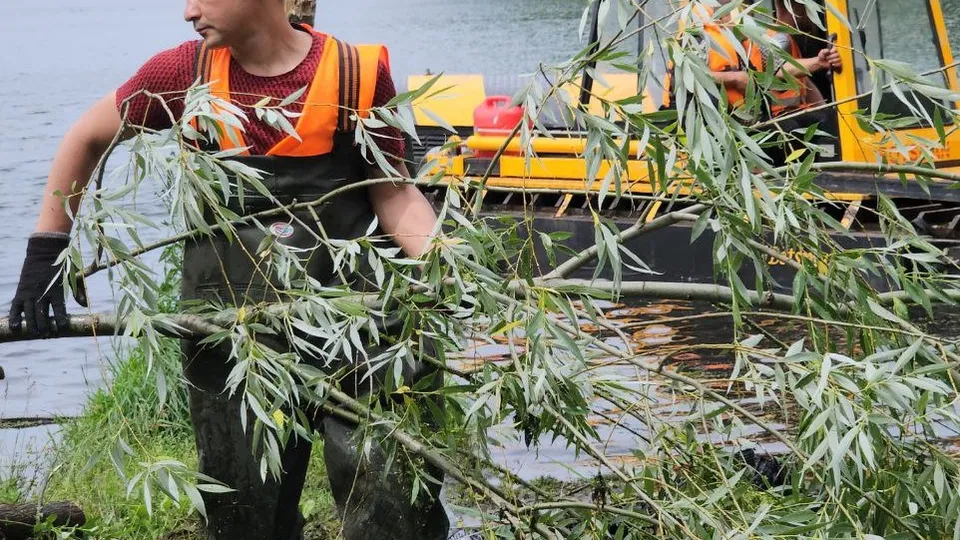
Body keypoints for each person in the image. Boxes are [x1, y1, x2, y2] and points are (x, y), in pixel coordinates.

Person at [7, 1, 451, 539]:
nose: (188, 11)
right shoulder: (182, 75)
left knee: (390, 499)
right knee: (242, 510)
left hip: (354, 323)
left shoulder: (355, 75)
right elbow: (87, 135)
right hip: (231, 334)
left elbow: (393, 190)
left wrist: (444, 266)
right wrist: (47, 250)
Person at [747, 0, 843, 161]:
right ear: (796, 8)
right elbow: (778, 71)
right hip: (779, 118)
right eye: (809, 10)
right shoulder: (775, 40)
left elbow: (804, 83)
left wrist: (826, 109)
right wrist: (818, 63)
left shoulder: (789, 40)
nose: (812, 17)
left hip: (795, 113)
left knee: (830, 119)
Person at [661, 0, 751, 113]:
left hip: (731, 117)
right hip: (697, 116)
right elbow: (690, 75)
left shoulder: (730, 32)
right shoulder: (696, 30)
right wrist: (734, 78)